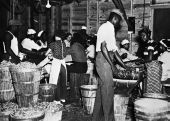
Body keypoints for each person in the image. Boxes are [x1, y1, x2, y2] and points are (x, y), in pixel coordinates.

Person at [92, 9, 142, 121]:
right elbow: (104, 48)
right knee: (108, 91)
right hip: (103, 59)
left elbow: (114, 51)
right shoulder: (106, 27)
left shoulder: (110, 29)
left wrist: (125, 66)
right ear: (114, 18)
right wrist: (113, 66)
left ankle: (96, 118)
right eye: (119, 21)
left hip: (105, 59)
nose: (119, 24)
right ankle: (109, 119)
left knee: (102, 91)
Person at [38, 30, 67, 104]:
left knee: (55, 82)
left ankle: (56, 100)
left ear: (56, 36)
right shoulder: (64, 43)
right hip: (63, 65)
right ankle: (63, 98)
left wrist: (49, 53)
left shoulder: (53, 44)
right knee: (63, 82)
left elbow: (46, 54)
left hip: (56, 64)